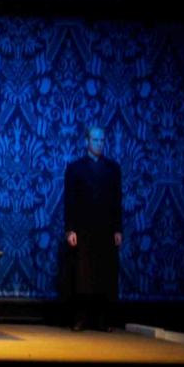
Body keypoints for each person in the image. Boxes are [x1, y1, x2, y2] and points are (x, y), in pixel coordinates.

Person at [64, 126, 123, 331]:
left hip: (105, 230)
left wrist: (118, 229)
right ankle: (80, 318)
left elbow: (117, 201)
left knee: (104, 275)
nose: (99, 144)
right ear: (87, 141)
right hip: (83, 229)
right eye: (95, 140)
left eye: (102, 140)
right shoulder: (75, 168)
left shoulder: (112, 169)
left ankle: (102, 320)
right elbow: (70, 201)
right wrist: (70, 229)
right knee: (82, 275)